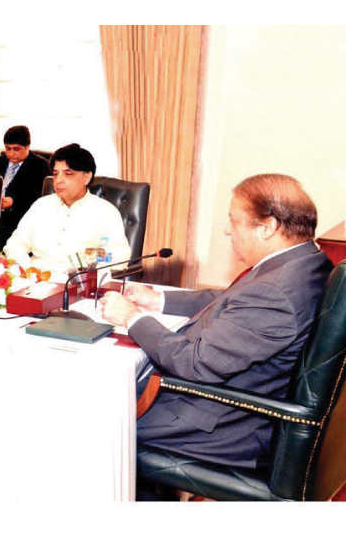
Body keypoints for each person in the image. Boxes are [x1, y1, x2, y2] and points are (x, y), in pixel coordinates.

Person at [99, 173, 332, 471]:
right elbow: (233, 299)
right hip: (225, 403)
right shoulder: (303, 262)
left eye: (234, 221)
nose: (226, 230)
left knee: (89, 418)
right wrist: (159, 300)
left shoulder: (275, 293)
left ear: (268, 227)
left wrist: (131, 316)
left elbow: (193, 363)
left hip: (215, 422)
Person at [3, 143, 130, 273]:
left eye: (68, 174)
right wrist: (28, 270)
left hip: (78, 282)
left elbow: (119, 255)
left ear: (86, 177)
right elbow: (15, 244)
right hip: (37, 279)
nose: (58, 180)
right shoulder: (41, 206)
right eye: (56, 174)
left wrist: (90, 268)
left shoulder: (105, 212)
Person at [0, 126, 50, 249]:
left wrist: (12, 202)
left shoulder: (41, 166)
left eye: (16, 149)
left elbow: (38, 197)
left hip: (19, 218)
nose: (11, 153)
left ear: (27, 146)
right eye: (8, 149)